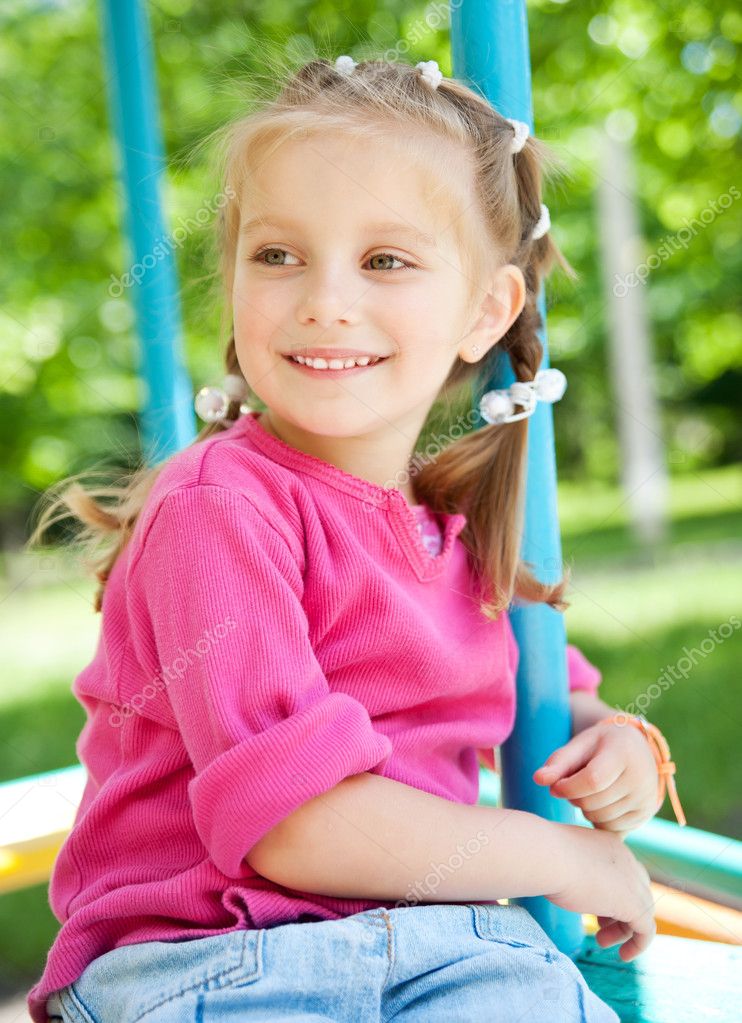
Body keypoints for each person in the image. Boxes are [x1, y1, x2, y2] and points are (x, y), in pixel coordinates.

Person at [25, 54, 673, 1023]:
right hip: (212, 958)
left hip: (448, 949)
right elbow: (295, 826)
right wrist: (565, 859)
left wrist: (615, 746)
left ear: (484, 311)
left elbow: (548, 702)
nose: (324, 299)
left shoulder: (449, 541)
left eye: (385, 261)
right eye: (277, 255)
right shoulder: (219, 508)